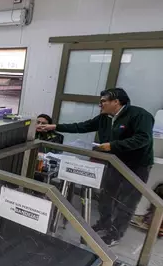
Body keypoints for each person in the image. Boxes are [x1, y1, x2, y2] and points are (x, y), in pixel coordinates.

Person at [37, 88, 154, 246]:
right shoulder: (105, 118)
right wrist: (54, 126)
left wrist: (112, 146)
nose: (100, 105)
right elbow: (82, 126)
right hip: (114, 162)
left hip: (137, 165)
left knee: (127, 201)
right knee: (106, 196)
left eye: (103, 101)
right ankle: (104, 223)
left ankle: (115, 234)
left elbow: (142, 139)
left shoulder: (140, 115)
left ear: (116, 102)